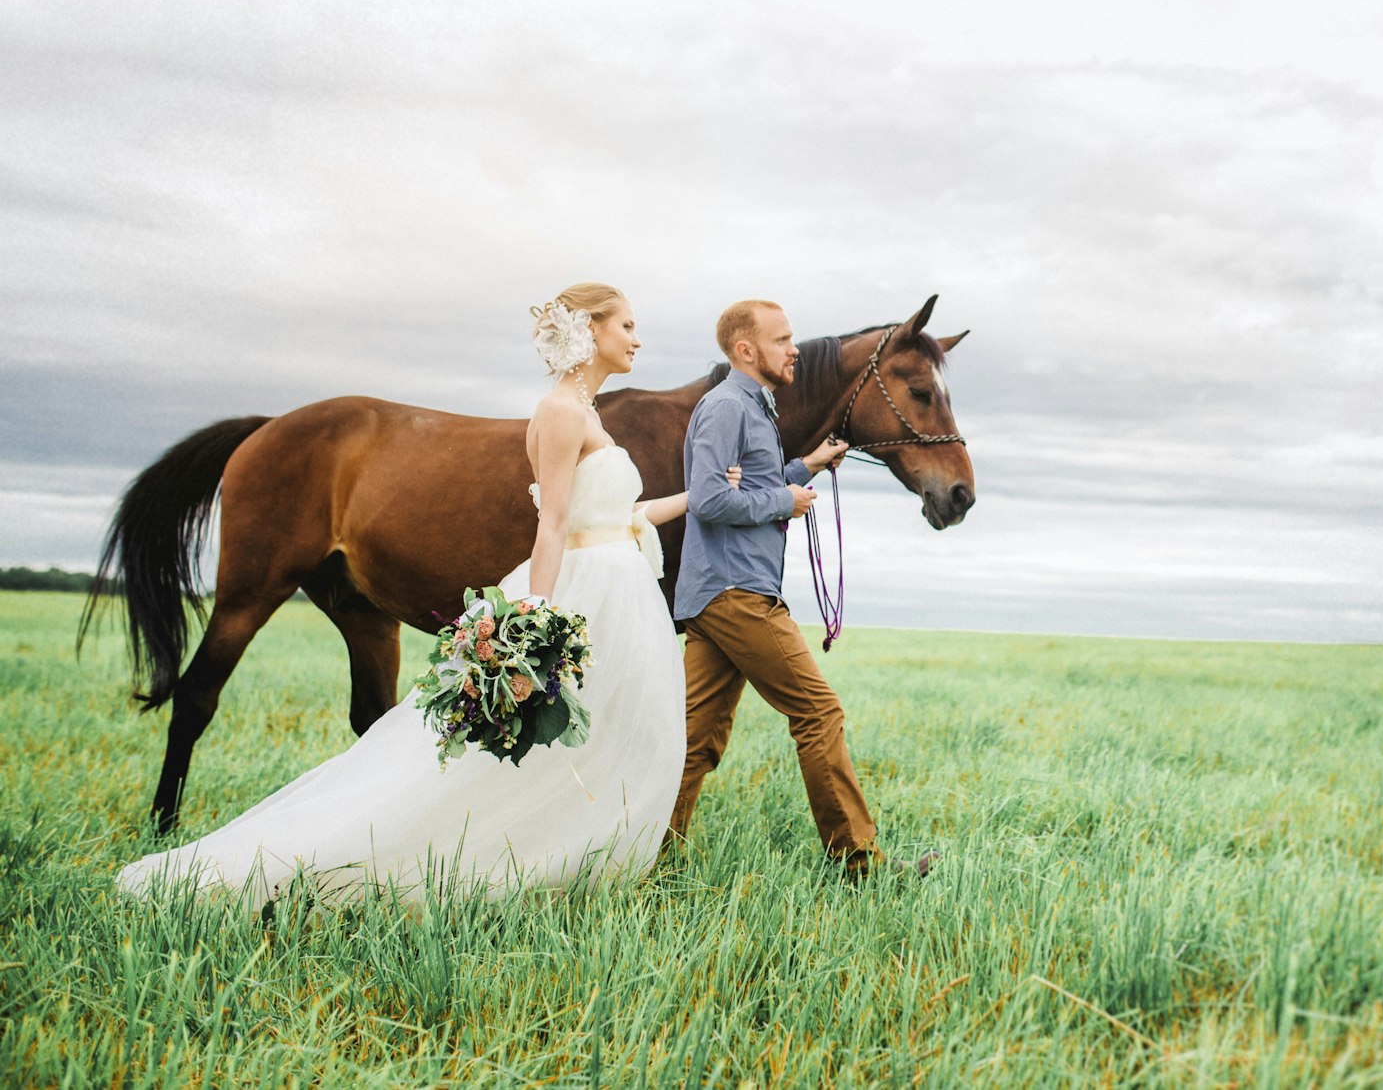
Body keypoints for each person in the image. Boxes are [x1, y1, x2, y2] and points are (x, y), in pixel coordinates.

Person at [118, 282, 724, 905]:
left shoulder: (586, 413)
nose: (637, 338)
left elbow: (619, 515)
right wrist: (538, 613)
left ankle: (576, 863)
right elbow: (552, 526)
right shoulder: (564, 414)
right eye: (626, 325)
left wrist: (702, 495)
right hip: (590, 583)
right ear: (592, 330)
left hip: (617, 580)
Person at [670, 299, 937, 880]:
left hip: (723, 590)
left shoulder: (754, 408)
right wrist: (782, 501)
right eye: (782, 339)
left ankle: (652, 856)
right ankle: (859, 863)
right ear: (746, 350)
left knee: (695, 741)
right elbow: (709, 499)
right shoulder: (724, 409)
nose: (795, 349)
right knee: (819, 712)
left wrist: (806, 467)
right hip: (735, 591)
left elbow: (756, 485)